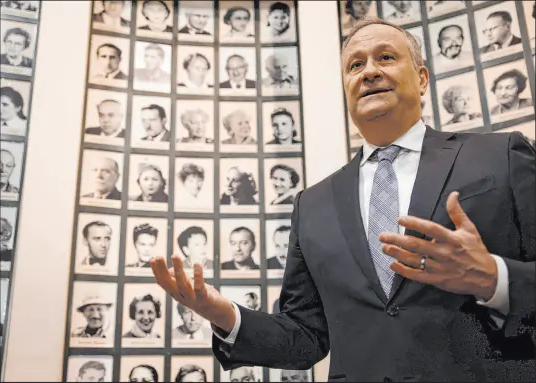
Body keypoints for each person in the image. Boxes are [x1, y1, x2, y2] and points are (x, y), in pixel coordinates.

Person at [151, 16, 535, 382]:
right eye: (355, 65)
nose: (369, 71)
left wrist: (495, 279)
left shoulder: (500, 156)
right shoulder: (312, 205)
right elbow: (305, 337)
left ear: (421, 79)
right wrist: (226, 316)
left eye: (386, 57)